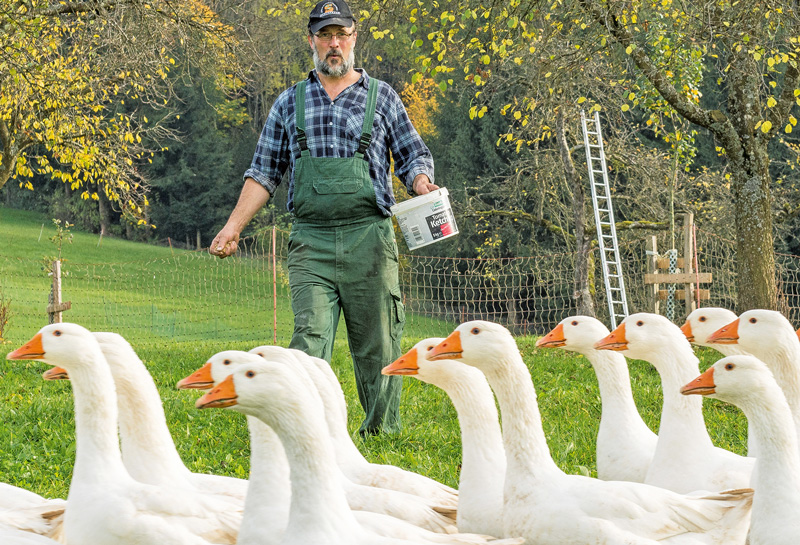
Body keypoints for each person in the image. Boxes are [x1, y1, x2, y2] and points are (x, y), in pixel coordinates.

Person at [210, 0, 438, 436]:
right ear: (311, 40)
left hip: (369, 238)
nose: (334, 44)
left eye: (342, 35)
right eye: (325, 35)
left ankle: (381, 433)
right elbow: (263, 171)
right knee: (308, 341)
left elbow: (412, 155)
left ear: (354, 38)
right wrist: (233, 226)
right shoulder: (288, 103)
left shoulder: (382, 96)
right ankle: (305, 433)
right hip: (310, 242)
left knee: (379, 343)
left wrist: (422, 182)